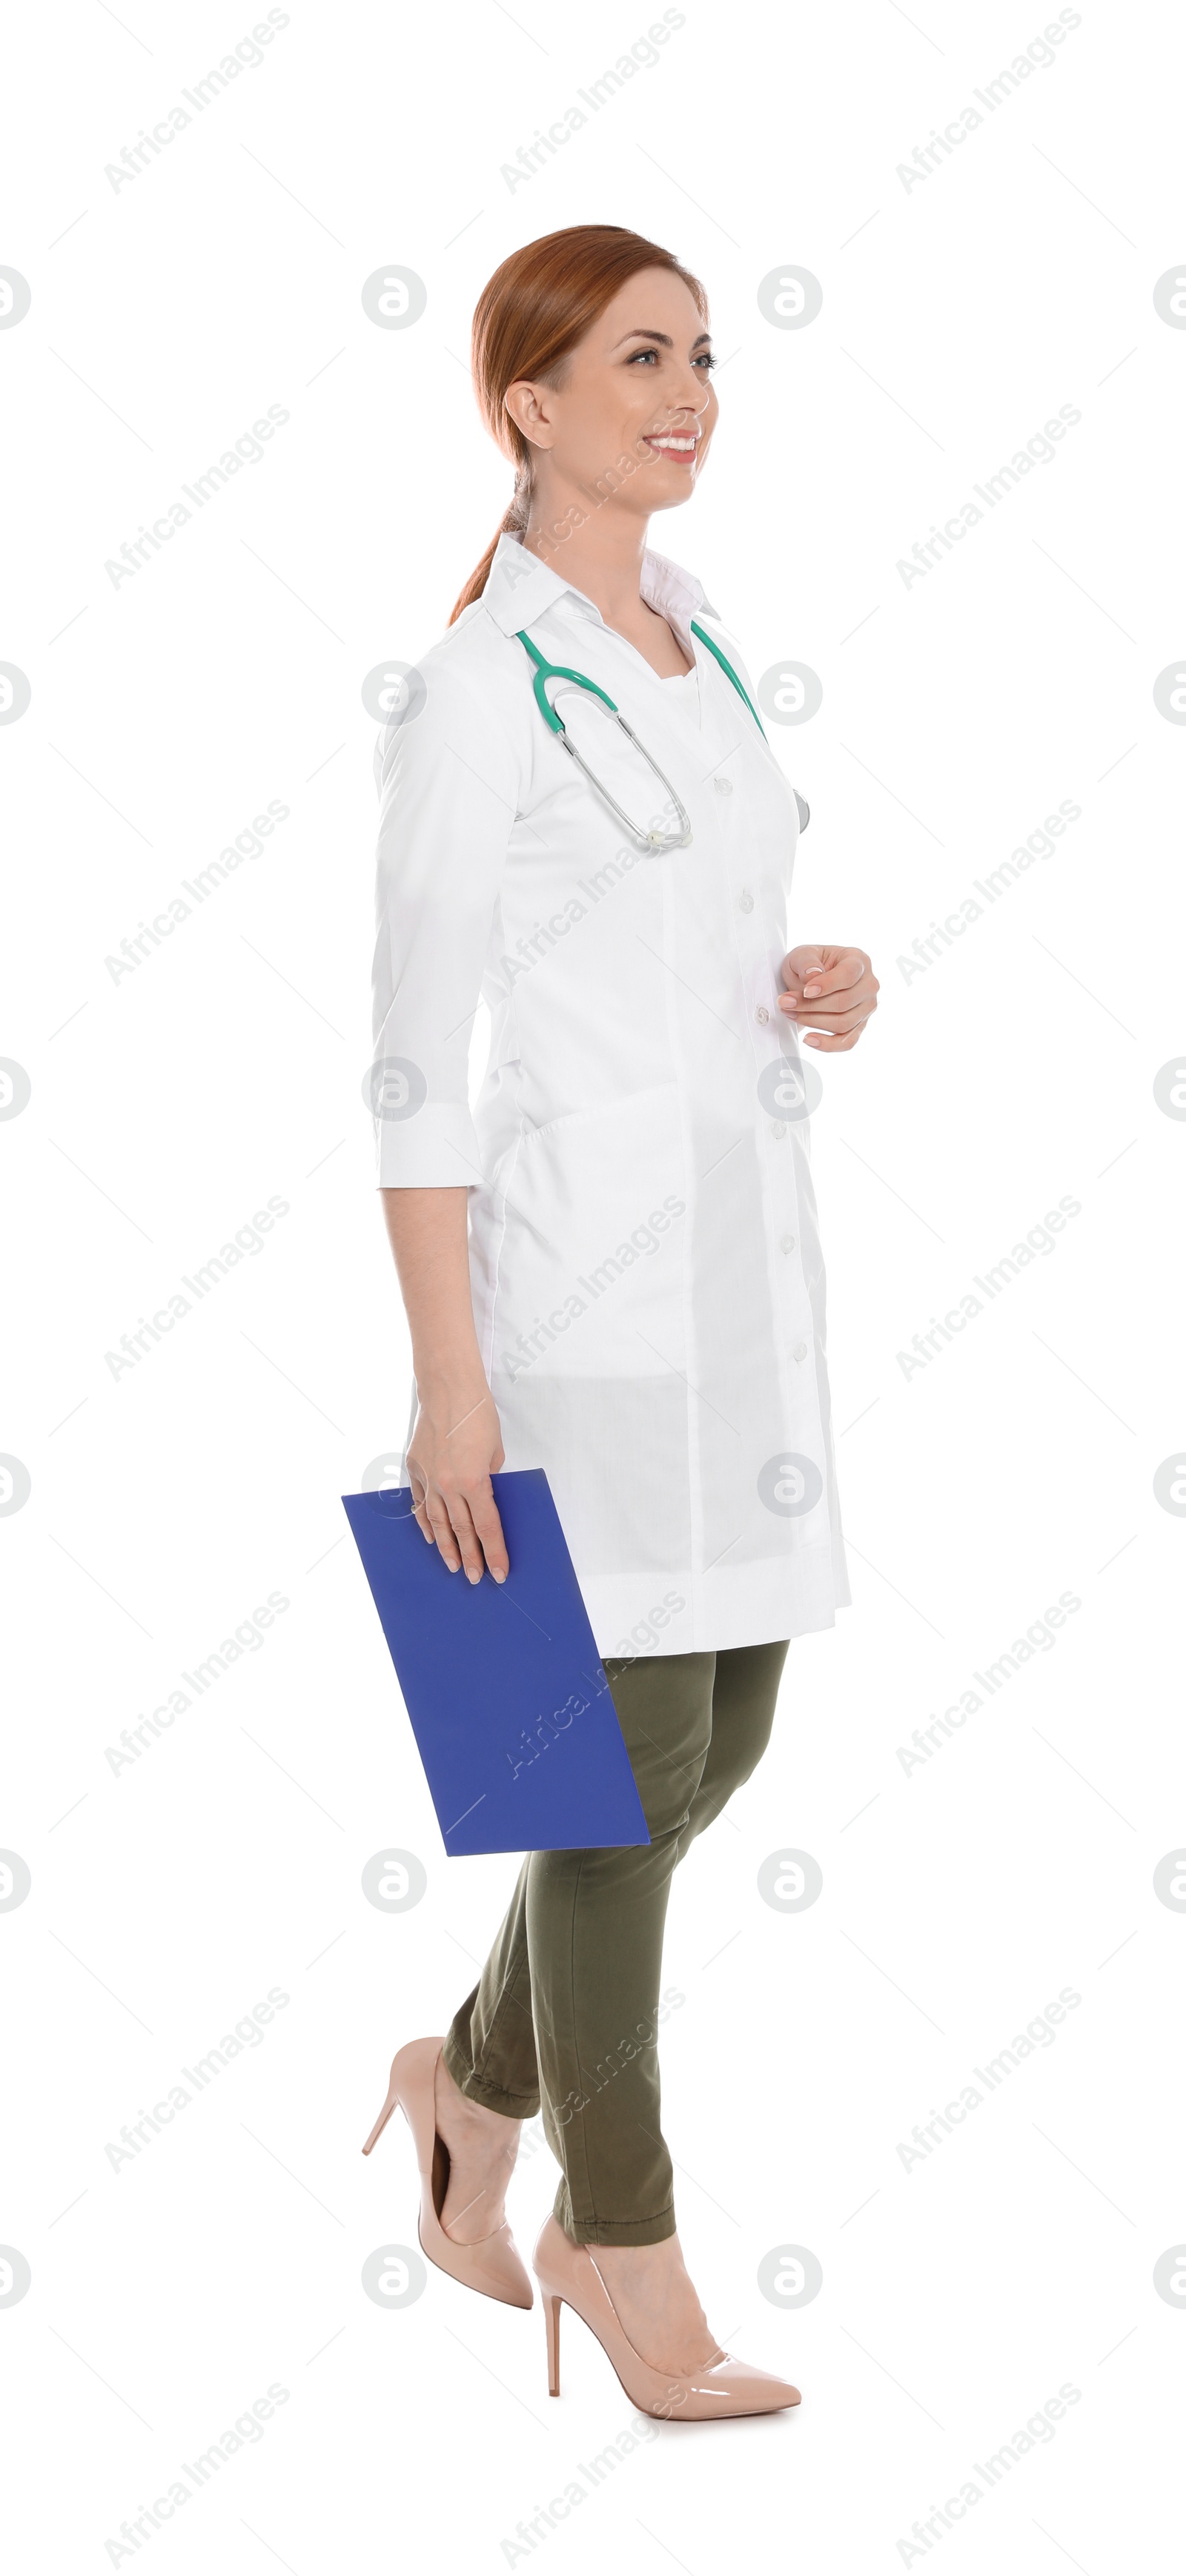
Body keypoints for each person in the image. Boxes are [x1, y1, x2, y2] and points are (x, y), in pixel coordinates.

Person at [362, 224, 878, 2420]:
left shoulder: (701, 638)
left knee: (716, 1741)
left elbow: (699, 932)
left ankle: (469, 2077)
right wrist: (450, 1393)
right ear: (529, 406)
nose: (685, 390)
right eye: (634, 358)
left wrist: (815, 983)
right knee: (603, 1791)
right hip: (570, 1314)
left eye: (700, 354)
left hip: (741, 1288)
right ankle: (623, 2228)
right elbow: (408, 1051)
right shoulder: (484, 689)